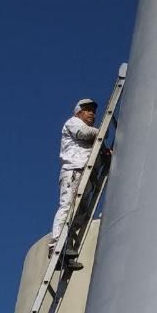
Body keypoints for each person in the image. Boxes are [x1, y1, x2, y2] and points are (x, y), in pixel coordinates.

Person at [48, 97, 99, 263]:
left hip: (86, 175)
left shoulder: (91, 135)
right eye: (87, 109)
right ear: (78, 112)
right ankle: (57, 244)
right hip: (74, 171)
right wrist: (100, 132)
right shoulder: (73, 122)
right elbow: (83, 134)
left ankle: (67, 243)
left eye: (93, 110)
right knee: (68, 206)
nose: (91, 113)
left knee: (80, 214)